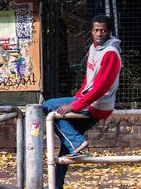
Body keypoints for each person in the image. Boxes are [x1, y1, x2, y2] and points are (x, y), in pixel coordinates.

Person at [43, 14, 122, 189]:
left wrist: (75, 105)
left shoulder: (111, 54)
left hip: (98, 105)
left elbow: (100, 88)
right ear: (92, 32)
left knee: (48, 106)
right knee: (66, 146)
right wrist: (78, 97)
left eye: (103, 31)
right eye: (96, 30)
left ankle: (77, 143)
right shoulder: (94, 48)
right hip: (89, 102)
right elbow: (89, 81)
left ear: (109, 32)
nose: (99, 34)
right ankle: (55, 185)